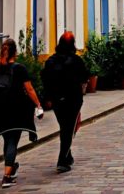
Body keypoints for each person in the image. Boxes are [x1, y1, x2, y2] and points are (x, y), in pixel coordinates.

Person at [0, 38, 44, 188]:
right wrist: (38, 104)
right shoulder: (20, 69)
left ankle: (11, 166)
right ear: (15, 52)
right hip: (16, 110)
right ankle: (7, 176)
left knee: (7, 139)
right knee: (12, 142)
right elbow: (29, 89)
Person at [41, 31, 90, 174]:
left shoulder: (50, 61)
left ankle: (67, 156)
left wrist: (49, 97)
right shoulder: (76, 60)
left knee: (65, 127)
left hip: (57, 100)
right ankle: (62, 159)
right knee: (68, 128)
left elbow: (45, 80)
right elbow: (84, 78)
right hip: (73, 99)